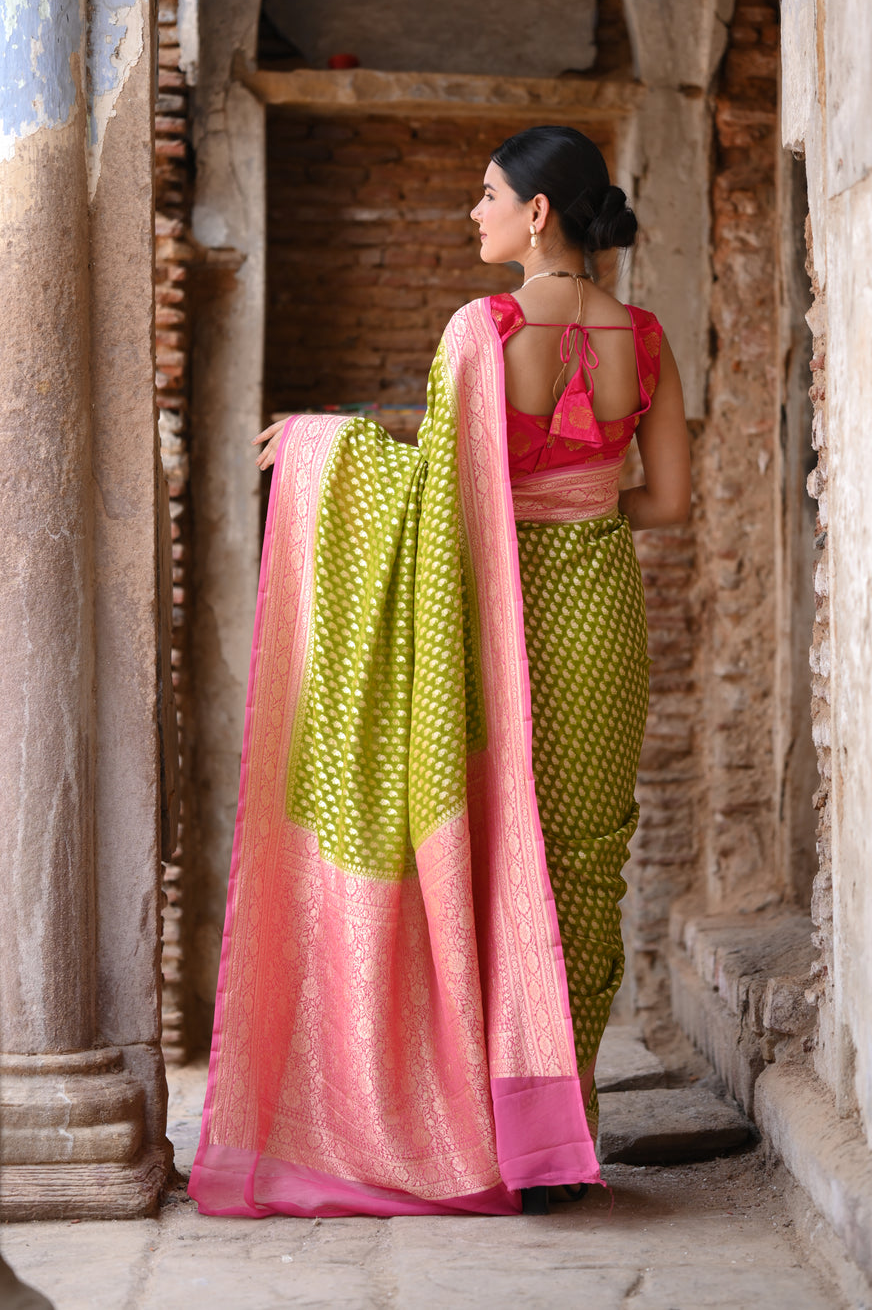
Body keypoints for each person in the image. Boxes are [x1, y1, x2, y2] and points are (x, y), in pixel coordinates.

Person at [188, 125, 690, 1221]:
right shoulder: (646, 337)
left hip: (493, 629)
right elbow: (665, 505)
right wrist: (579, 505)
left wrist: (328, 444)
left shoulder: (481, 330)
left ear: (539, 213)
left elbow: (441, 494)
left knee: (480, 859)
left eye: (487, 193)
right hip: (600, 616)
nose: (475, 212)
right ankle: (567, 1128)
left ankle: (479, 1129)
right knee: (582, 862)